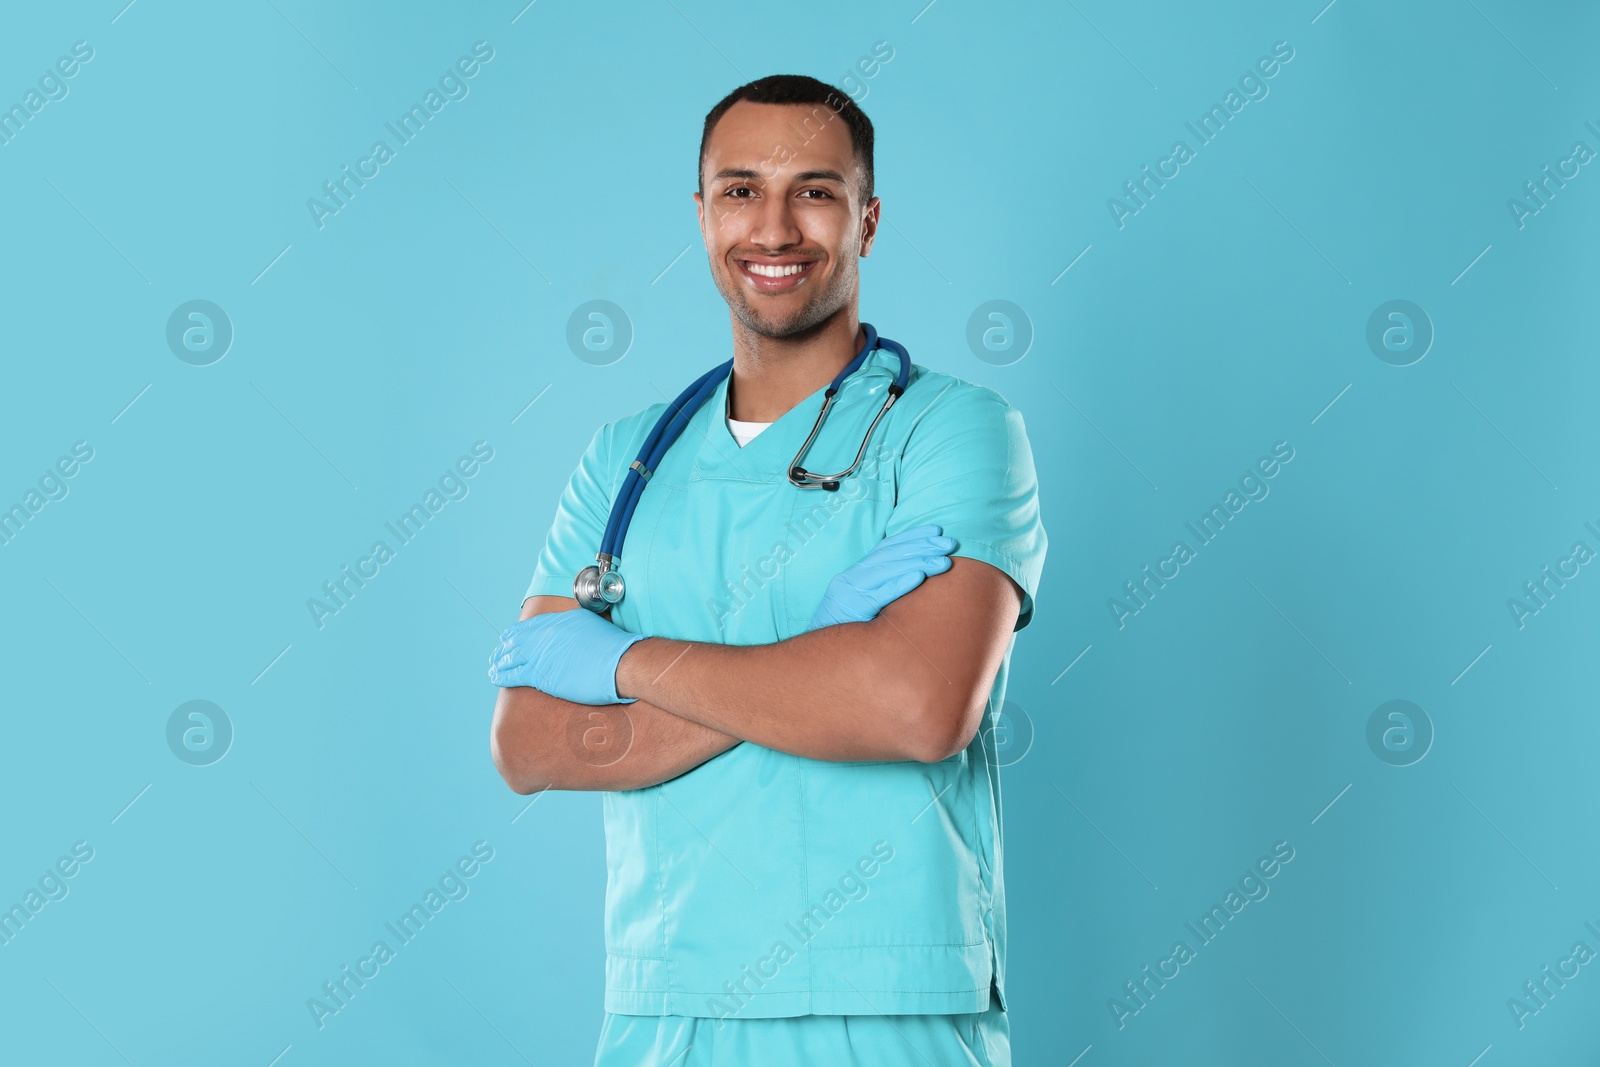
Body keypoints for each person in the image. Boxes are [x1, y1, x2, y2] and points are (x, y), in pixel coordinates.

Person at [488, 73, 1047, 1067]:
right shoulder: (624, 458)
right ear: (701, 216)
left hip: (888, 1004)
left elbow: (916, 707)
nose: (774, 227)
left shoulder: (953, 432)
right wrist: (820, 664)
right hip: (666, 1005)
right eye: (741, 190)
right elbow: (532, 742)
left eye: (815, 191)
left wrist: (621, 665)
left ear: (866, 220)